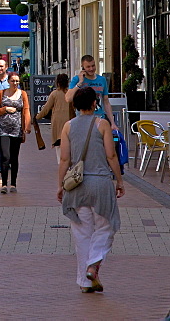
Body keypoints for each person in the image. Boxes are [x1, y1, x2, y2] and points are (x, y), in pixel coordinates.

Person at [58, 86, 125, 294]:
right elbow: (111, 156)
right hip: (101, 184)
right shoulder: (102, 124)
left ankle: (85, 282)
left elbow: (64, 159)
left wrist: (60, 185)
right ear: (94, 103)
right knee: (106, 226)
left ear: (76, 105)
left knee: (81, 233)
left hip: (77, 187)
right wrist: (120, 181)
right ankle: (94, 264)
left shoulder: (68, 127)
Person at [0, 72, 32, 193]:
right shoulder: (1, 93)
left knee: (14, 157)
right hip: (3, 130)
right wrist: (5, 109)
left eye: (17, 81)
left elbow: (26, 110)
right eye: (13, 81)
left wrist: (27, 126)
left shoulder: (22, 94)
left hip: (17, 130)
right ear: (8, 81)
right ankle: (3, 184)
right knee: (5, 156)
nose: (15, 83)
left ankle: (13, 184)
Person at [66, 54, 115, 125]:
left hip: (99, 117)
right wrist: (79, 83)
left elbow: (106, 102)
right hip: (82, 118)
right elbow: (68, 99)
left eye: (93, 66)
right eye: (88, 67)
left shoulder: (102, 79)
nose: (91, 69)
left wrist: (112, 123)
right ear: (83, 67)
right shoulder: (76, 79)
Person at [37, 73, 74, 163]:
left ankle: (62, 167)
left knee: (59, 148)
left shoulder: (54, 94)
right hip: (70, 123)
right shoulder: (70, 93)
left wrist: (37, 117)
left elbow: (46, 108)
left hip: (58, 124)